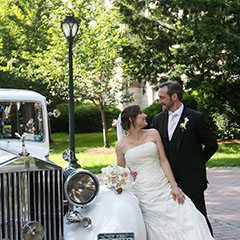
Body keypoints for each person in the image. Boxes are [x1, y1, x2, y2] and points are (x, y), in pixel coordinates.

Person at [115, 104, 214, 240]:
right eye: (141, 113)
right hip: (144, 193)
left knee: (187, 217)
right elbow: (120, 172)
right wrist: (128, 174)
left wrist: (174, 186)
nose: (145, 115)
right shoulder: (121, 146)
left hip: (163, 186)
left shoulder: (153, 133)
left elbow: (164, 161)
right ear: (132, 119)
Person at [152, 81, 218, 236]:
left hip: (192, 179)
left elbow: (211, 145)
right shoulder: (158, 120)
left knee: (199, 217)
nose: (160, 101)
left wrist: (196, 162)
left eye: (162, 98)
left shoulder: (196, 118)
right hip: (167, 181)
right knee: (175, 219)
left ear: (174, 96)